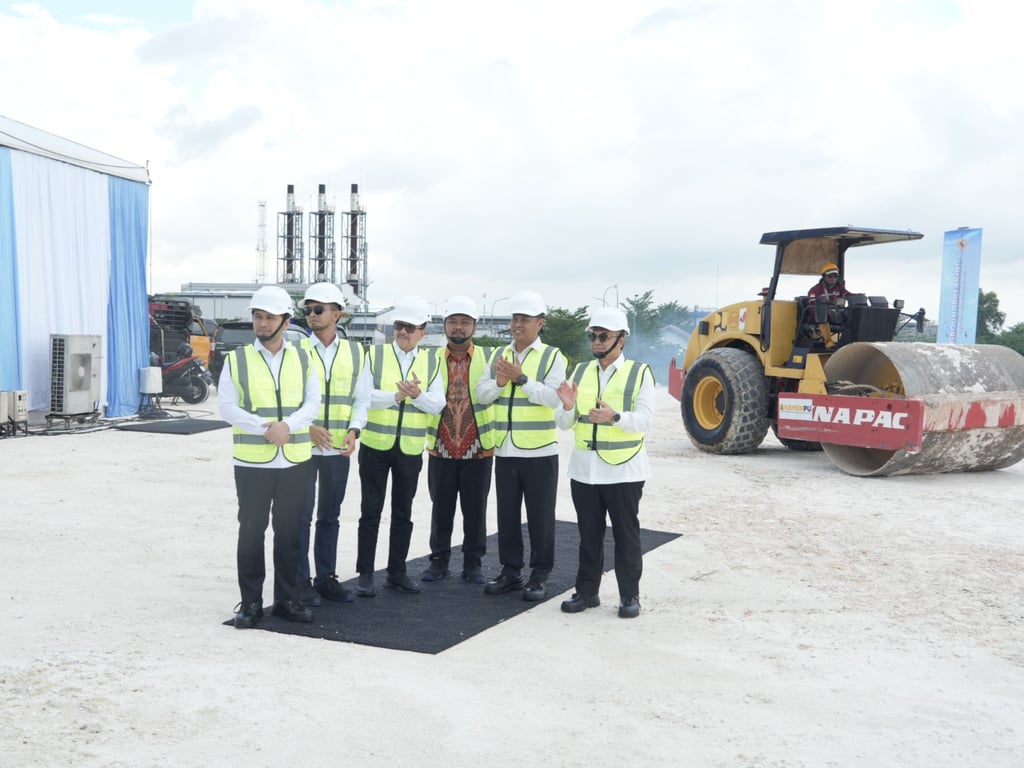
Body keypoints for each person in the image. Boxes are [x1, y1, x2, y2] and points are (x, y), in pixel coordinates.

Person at [218, 285, 321, 628]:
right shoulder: (237, 360)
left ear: (286, 321)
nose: (262, 323)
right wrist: (266, 429)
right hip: (252, 463)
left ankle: (287, 601)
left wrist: (288, 426)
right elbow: (227, 407)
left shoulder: (304, 358)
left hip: (294, 460)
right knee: (251, 532)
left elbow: (313, 402)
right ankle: (250, 603)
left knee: (289, 534)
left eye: (270, 317)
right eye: (258, 317)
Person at [555, 307, 655, 619]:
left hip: (624, 470)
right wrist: (567, 407)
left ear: (621, 340)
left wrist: (615, 417)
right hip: (585, 470)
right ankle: (587, 593)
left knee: (626, 536)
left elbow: (646, 420)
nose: (596, 342)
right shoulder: (580, 371)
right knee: (588, 536)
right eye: (593, 336)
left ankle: (629, 596)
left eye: (603, 336)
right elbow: (564, 423)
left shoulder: (639, 372)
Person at [475, 290, 567, 602]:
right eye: (514, 318)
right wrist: (501, 382)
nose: (517, 324)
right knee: (507, 516)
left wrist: (522, 379)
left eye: (524, 319)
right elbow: (482, 394)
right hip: (506, 449)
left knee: (541, 517)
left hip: (539, 450)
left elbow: (553, 398)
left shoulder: (553, 357)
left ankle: (539, 575)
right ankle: (510, 571)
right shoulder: (499, 355)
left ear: (540, 323)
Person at [355, 295, 444, 597]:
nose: (403, 332)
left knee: (403, 513)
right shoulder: (374, 355)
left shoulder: (432, 361)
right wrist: (396, 396)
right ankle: (365, 574)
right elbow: (363, 397)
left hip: (410, 449)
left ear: (423, 332)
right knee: (370, 511)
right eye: (399, 326)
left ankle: (397, 572)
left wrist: (417, 396)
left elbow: (438, 405)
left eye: (410, 327)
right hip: (375, 446)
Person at [295, 282, 370, 608]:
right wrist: (306, 427)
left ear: (337, 314)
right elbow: (288, 400)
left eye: (318, 309)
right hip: (301, 447)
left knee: (330, 515)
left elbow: (361, 399)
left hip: (338, 448)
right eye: (308, 309)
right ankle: (300, 582)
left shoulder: (356, 353)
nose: (311, 314)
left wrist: (355, 430)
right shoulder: (296, 351)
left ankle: (325, 578)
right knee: (300, 516)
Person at [422, 296, 496, 585]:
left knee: (475, 510)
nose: (459, 327)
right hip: (440, 446)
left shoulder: (489, 358)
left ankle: (473, 563)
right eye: (453, 321)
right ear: (444, 325)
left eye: (465, 322)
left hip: (478, 447)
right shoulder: (430, 359)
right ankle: (438, 560)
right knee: (440, 508)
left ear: (474, 327)